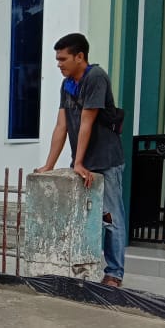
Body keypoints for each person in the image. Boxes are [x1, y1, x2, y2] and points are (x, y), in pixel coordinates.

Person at [35, 32, 126, 287]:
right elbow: (62, 125)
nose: (59, 64)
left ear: (80, 56)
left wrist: (77, 162)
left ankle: (115, 273)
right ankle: (90, 268)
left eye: (63, 59)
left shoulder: (96, 77)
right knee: (91, 219)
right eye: (57, 59)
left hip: (105, 160)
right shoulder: (68, 84)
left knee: (111, 218)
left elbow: (87, 121)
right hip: (85, 162)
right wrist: (49, 164)